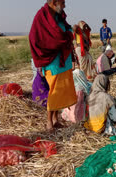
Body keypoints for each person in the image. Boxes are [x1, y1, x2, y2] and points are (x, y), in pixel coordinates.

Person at [29, 0, 77, 131]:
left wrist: (69, 32)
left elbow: (66, 31)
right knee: (54, 92)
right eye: (62, 3)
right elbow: (37, 38)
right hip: (52, 61)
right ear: (54, 2)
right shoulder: (41, 16)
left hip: (63, 61)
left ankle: (56, 120)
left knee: (61, 90)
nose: (64, 6)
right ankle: (49, 123)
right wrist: (66, 35)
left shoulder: (58, 16)